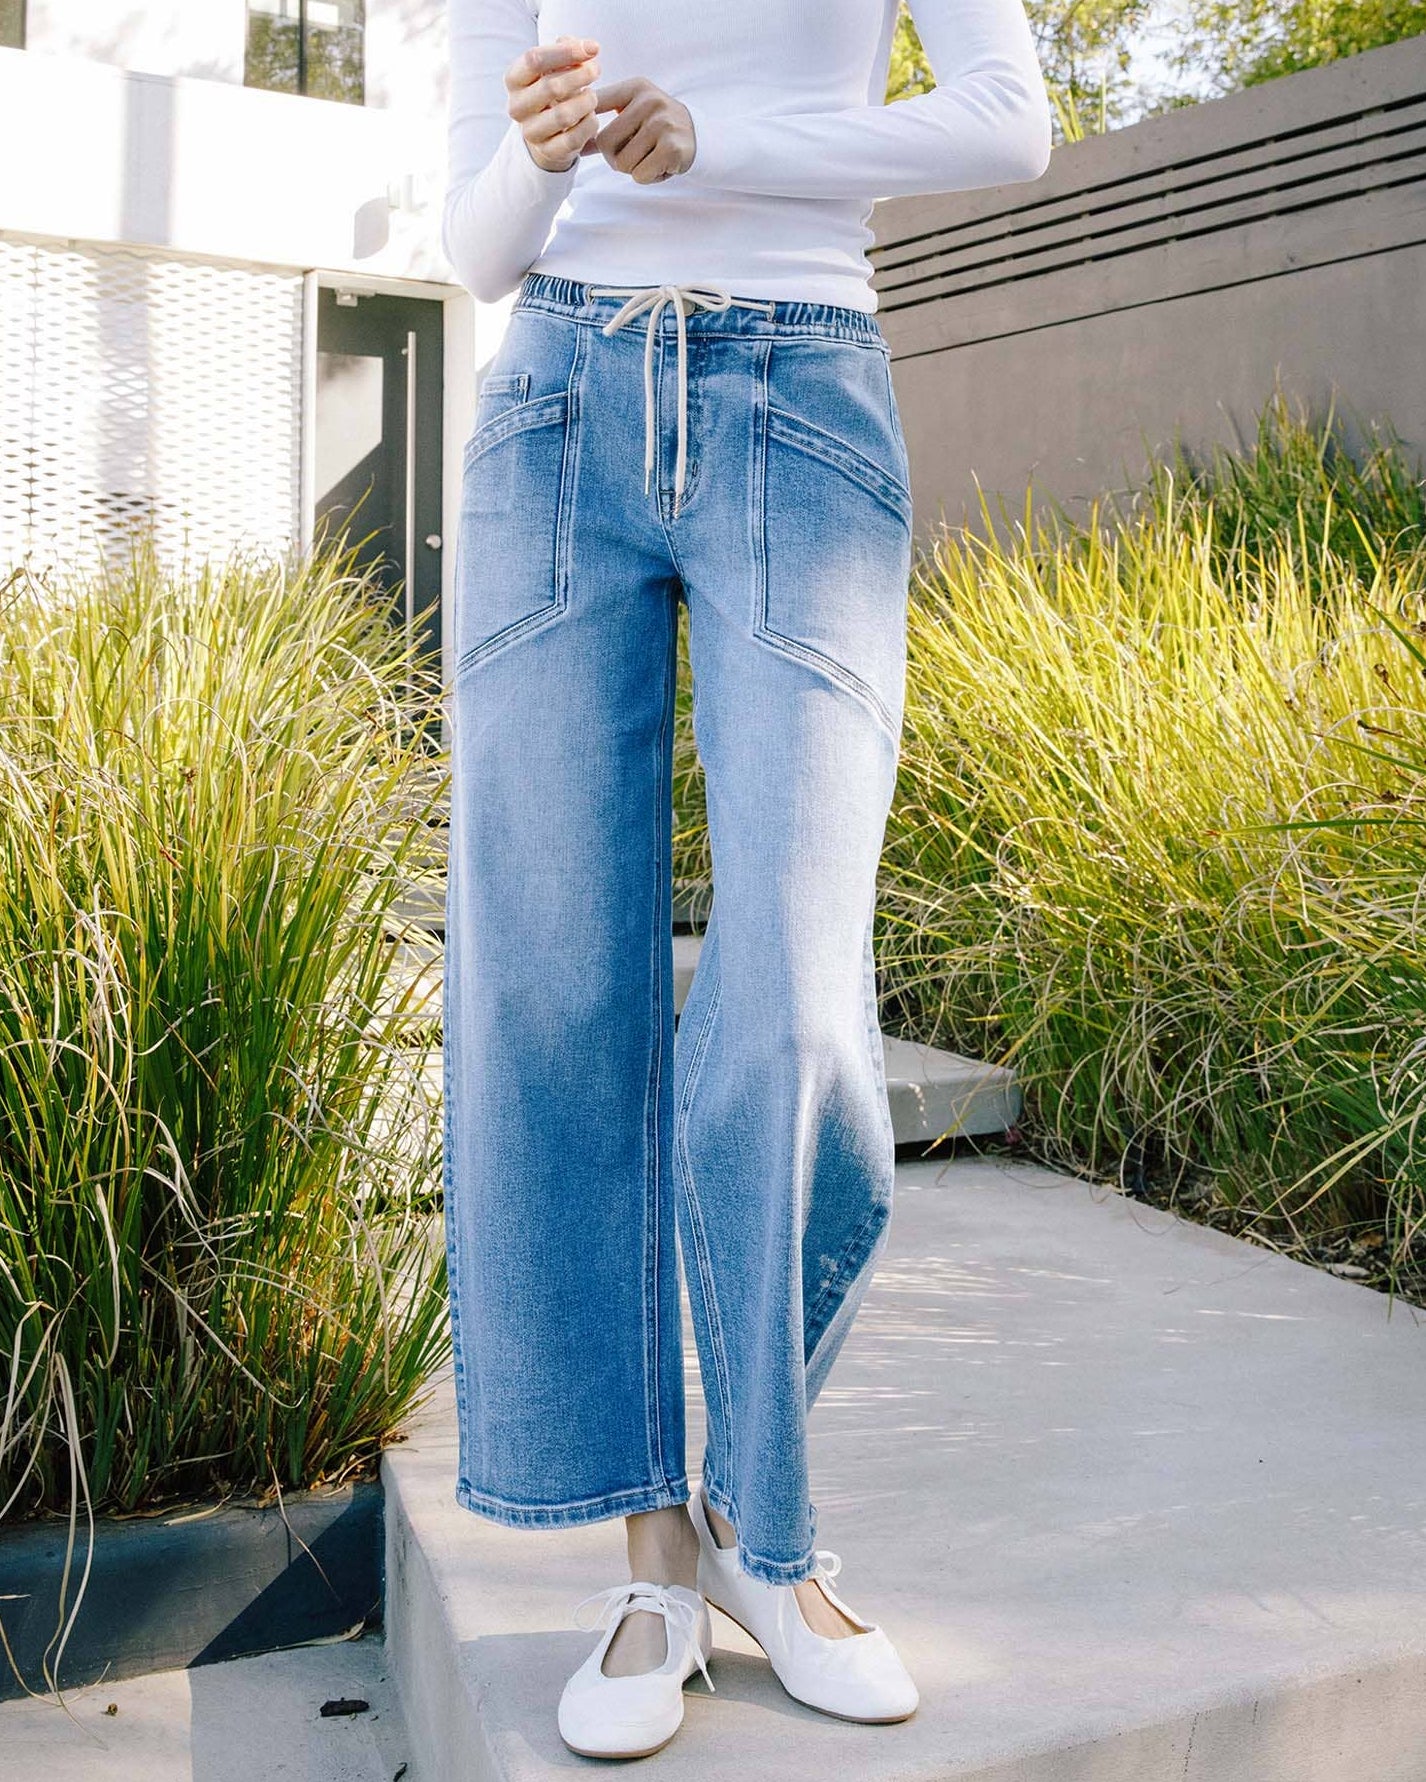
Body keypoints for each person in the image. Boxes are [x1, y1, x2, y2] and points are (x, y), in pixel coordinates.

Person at [440, 0, 1051, 1758]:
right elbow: (475, 250)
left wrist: (724, 144)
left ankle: (767, 1541)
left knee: (787, 995)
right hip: (556, 407)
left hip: (800, 393)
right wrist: (542, 158)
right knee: (555, 984)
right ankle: (655, 1561)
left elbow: (1009, 122)